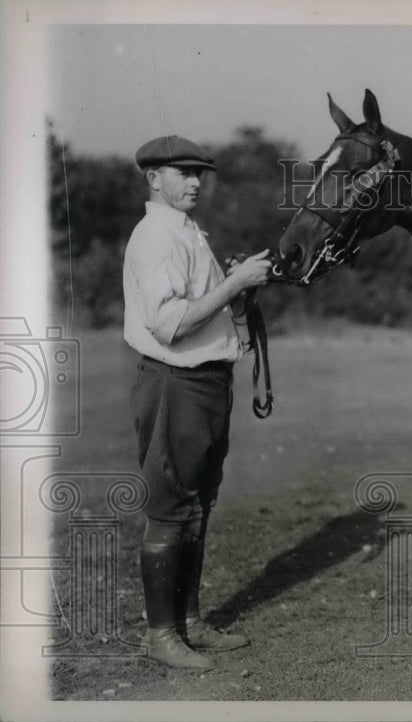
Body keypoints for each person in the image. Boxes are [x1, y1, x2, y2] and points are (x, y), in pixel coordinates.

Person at [123, 135, 272, 671]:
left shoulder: (184, 231)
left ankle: (188, 624)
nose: (194, 182)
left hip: (207, 383)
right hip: (174, 382)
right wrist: (234, 283)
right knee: (170, 512)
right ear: (153, 179)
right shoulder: (155, 236)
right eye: (181, 172)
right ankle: (161, 635)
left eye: (199, 173)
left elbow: (200, 309)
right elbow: (171, 325)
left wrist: (234, 285)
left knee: (197, 507)